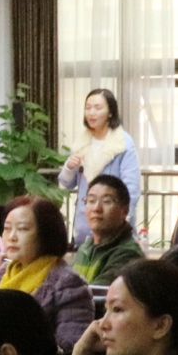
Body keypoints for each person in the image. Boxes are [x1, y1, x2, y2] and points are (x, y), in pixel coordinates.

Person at [0, 195, 93, 354]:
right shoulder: (6, 271)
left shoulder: (66, 282)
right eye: (7, 228)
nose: (11, 237)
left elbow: (71, 346)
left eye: (22, 229)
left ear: (46, 233)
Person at [57, 87, 140, 244]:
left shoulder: (123, 143)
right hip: (84, 225)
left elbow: (132, 187)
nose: (91, 113)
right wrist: (69, 167)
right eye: (88, 108)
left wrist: (124, 220)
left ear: (110, 112)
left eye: (97, 108)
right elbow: (67, 183)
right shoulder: (81, 142)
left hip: (113, 223)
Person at [71, 174, 144, 285]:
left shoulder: (128, 254)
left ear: (125, 211)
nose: (96, 209)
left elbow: (98, 293)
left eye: (106, 201)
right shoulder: (85, 248)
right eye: (91, 200)